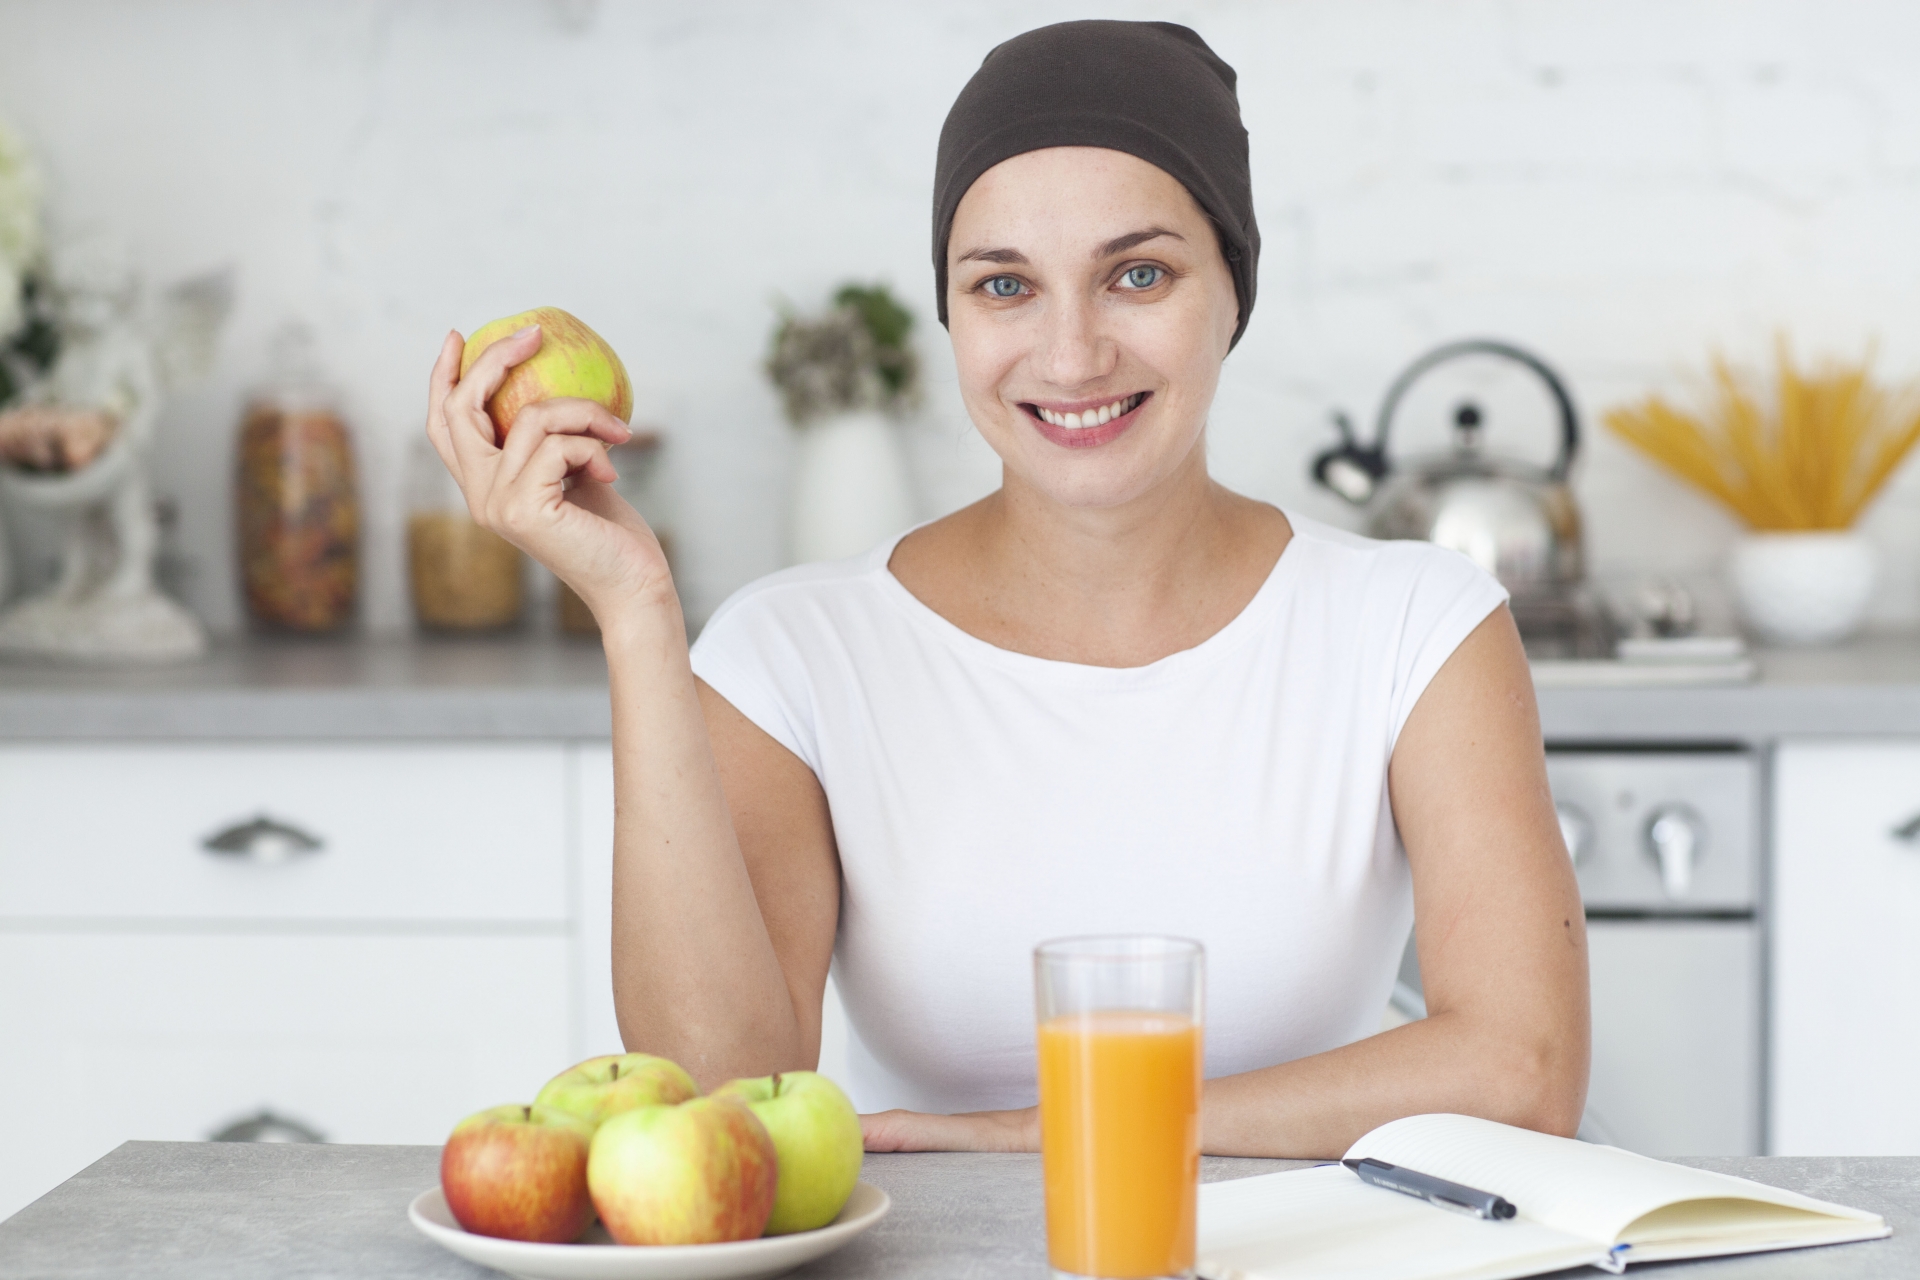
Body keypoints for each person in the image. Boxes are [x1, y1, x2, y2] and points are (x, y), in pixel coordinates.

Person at [424, 19, 1588, 1160]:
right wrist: (635, 615)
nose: (1072, 354)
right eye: (1003, 286)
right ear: (949, 312)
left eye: (1138, 274)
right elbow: (721, 1093)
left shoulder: (1414, 628)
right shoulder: (794, 653)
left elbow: (1522, 1068)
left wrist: (1033, 1135)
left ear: (1233, 290)